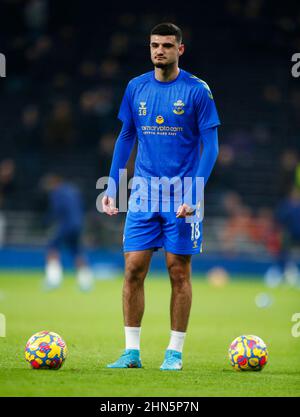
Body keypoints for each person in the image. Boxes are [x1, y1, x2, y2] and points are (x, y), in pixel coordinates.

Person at [102, 23, 220, 370]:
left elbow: (211, 147)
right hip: (143, 194)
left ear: (179, 50)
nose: (159, 51)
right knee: (133, 269)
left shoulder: (197, 91)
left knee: (178, 271)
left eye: (167, 45)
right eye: (154, 45)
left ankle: (175, 352)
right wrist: (113, 186)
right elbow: (125, 137)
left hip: (182, 196)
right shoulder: (135, 87)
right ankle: (131, 352)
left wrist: (195, 192)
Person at [41, 173, 93, 291]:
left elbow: (57, 210)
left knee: (52, 247)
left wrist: (45, 221)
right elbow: (82, 207)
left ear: (54, 182)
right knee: (77, 251)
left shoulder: (57, 193)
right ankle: (86, 282)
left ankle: (53, 280)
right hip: (78, 225)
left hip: (66, 225)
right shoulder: (74, 191)